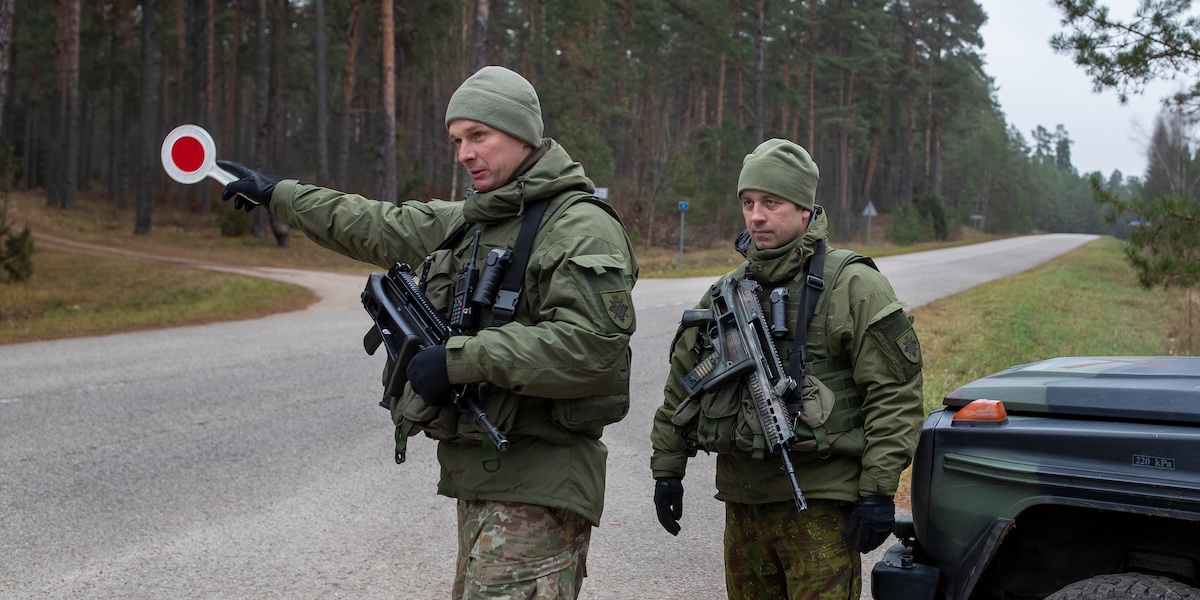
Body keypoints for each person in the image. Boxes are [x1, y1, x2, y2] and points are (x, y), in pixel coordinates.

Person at [216, 66, 638, 600]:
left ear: (524, 134)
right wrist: (277, 193)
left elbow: (591, 346)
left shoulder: (578, 225)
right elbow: (374, 222)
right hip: (487, 482)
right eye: (457, 140)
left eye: (478, 136)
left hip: (539, 486)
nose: (464, 153)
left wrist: (459, 360)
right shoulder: (474, 220)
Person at [649, 138, 924, 600]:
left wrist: (878, 491)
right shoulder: (725, 293)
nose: (756, 216)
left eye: (770, 203)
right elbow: (682, 385)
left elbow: (894, 395)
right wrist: (666, 470)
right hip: (744, 503)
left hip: (819, 505)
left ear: (804, 209)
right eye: (748, 203)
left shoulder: (854, 285)